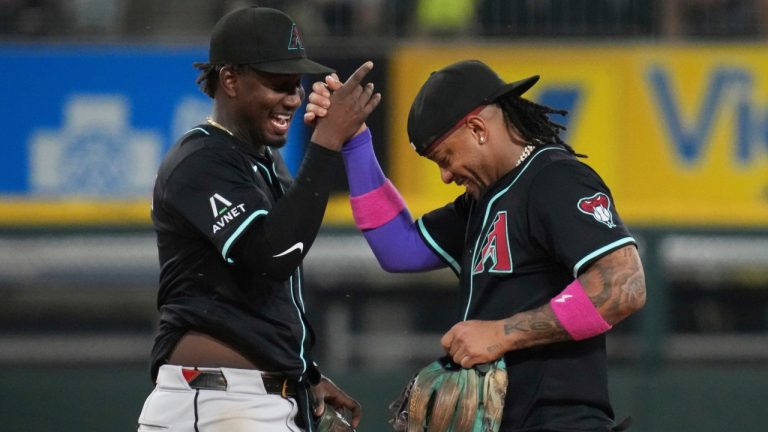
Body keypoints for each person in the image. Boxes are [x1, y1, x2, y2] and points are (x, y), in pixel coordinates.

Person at [306, 60, 646, 431]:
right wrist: (355, 140)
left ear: (478, 128)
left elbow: (622, 287)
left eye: (445, 158)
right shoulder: (482, 201)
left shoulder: (555, 178)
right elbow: (397, 248)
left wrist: (501, 333)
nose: (446, 175)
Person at [138, 6, 380, 432]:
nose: (294, 96)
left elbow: (268, 289)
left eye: (297, 84)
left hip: (251, 398)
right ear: (230, 79)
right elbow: (274, 254)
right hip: (215, 403)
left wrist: (304, 374)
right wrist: (326, 142)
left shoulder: (261, 160)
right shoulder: (200, 160)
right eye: (278, 84)